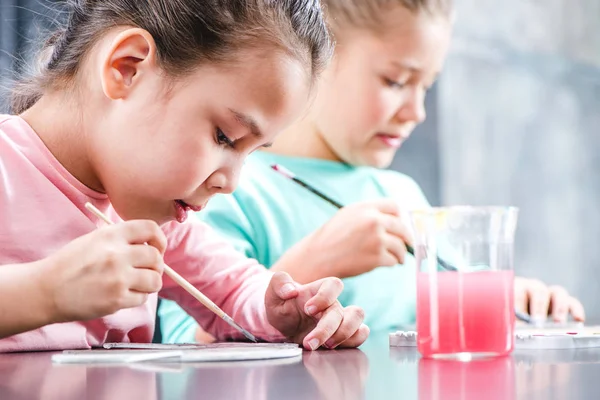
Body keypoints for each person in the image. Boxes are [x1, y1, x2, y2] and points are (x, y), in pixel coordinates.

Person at [159, 0, 586, 344]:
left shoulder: (402, 195)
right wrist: (314, 262)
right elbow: (186, 348)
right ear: (319, 56)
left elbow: (458, 287)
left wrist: (516, 297)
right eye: (396, 81)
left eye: (427, 87)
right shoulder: (218, 187)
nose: (416, 112)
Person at [0, 0, 369, 352]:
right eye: (225, 137)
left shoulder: (152, 215)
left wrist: (284, 313)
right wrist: (47, 291)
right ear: (127, 68)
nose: (231, 182)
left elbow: (236, 289)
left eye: (250, 153)